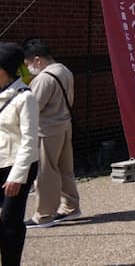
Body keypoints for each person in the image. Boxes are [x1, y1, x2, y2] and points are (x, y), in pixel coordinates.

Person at [23, 39, 81, 229]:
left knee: (46, 173)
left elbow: (32, 108)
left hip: (46, 130)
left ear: (37, 60)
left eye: (29, 63)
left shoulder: (43, 79)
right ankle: (71, 206)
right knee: (66, 169)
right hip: (64, 125)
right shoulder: (64, 70)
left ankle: (44, 215)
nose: (29, 67)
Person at [0, 43, 39, 265]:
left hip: (17, 167)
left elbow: (29, 141)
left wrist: (17, 176)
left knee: (9, 221)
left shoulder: (25, 98)